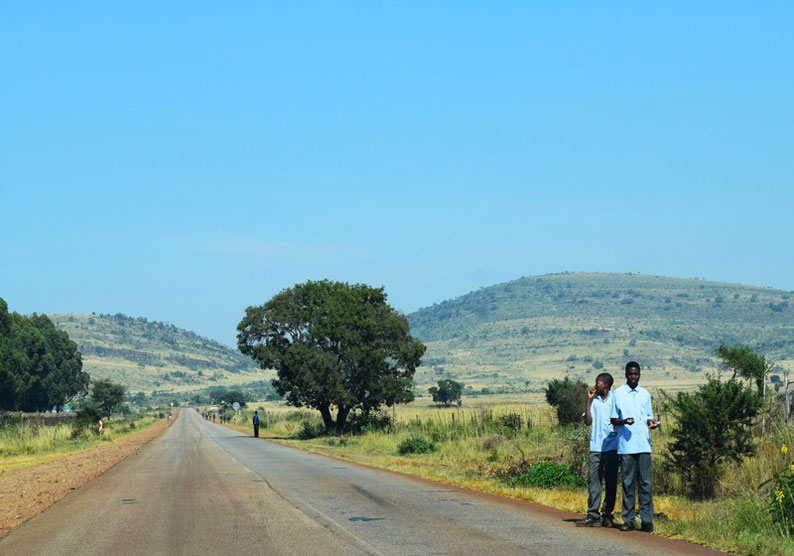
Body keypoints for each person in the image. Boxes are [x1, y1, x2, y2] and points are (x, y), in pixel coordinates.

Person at [610, 361, 660, 532]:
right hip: (626, 446)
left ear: (640, 374)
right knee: (628, 483)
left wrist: (652, 423)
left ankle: (647, 521)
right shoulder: (618, 394)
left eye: (636, 374)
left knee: (646, 484)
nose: (633, 377)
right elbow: (613, 419)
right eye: (630, 374)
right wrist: (624, 421)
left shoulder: (645, 394)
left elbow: (648, 416)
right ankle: (628, 520)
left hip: (644, 445)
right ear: (626, 374)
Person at [576, 372, 618, 528]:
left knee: (611, 481)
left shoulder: (615, 400)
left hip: (612, 446)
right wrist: (588, 400)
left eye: (598, 383)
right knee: (594, 481)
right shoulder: (593, 401)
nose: (595, 385)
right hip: (595, 447)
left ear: (605, 385)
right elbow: (588, 422)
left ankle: (607, 514)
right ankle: (593, 515)